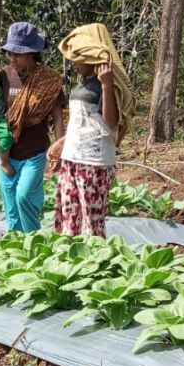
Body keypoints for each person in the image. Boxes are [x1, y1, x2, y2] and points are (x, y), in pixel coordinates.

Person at [49, 23, 136, 237]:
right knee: (69, 216)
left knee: (91, 221)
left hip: (94, 163)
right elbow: (82, 123)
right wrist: (61, 144)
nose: (73, 62)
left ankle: (95, 265)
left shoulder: (107, 85)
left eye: (78, 57)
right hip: (73, 159)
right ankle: (71, 261)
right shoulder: (84, 83)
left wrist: (106, 85)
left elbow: (110, 124)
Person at [0, 22, 67, 233]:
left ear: (32, 54)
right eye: (11, 54)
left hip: (35, 152)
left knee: (24, 196)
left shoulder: (49, 80)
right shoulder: (5, 76)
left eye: (18, 54)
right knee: (11, 205)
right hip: (8, 152)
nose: (13, 59)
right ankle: (15, 247)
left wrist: (59, 149)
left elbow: (57, 118)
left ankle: (33, 242)